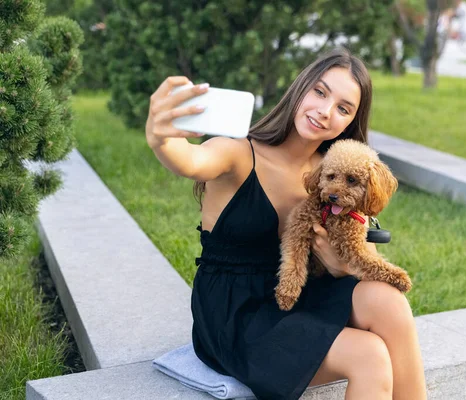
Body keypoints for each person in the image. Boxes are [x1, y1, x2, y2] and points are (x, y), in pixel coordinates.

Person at [145, 48, 426, 400]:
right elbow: (190, 160)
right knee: (369, 356)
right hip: (237, 314)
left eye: (343, 108)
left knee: (390, 301)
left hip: (300, 297)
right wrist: (162, 137)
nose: (325, 112)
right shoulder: (237, 153)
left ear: (351, 121)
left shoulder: (335, 170)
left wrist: (340, 267)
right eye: (320, 92)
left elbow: (361, 255)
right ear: (301, 87)